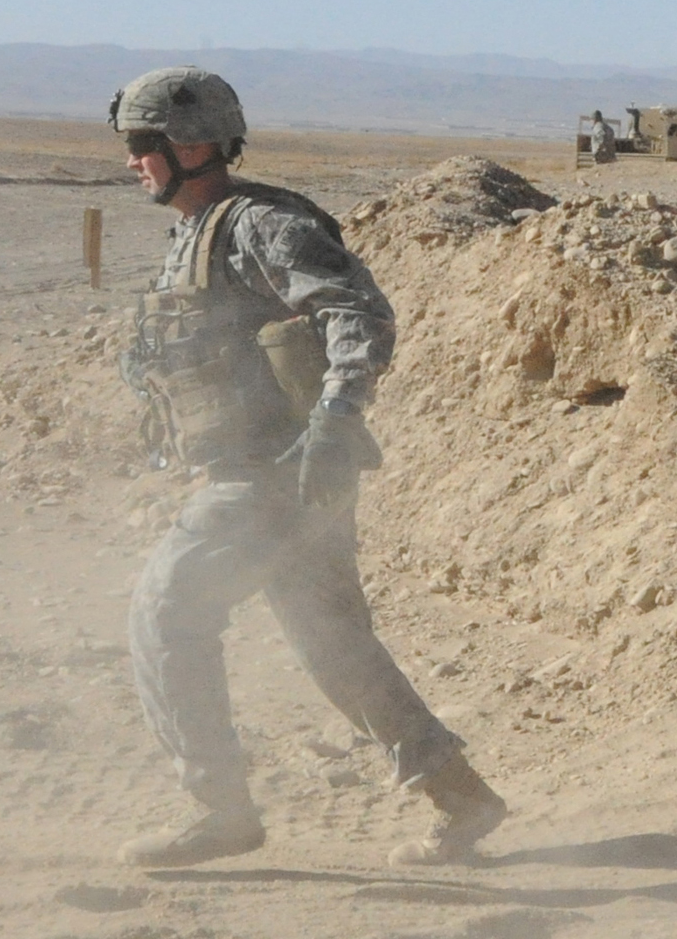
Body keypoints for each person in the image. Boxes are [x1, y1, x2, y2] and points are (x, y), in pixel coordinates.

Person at [110, 67, 504, 869]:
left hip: (269, 475)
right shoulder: (195, 232)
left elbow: (360, 315)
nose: (132, 163)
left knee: (166, 612)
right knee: (332, 644)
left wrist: (334, 419)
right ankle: (458, 794)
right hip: (268, 470)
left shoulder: (259, 224)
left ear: (193, 145)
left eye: (143, 146)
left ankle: (219, 810)